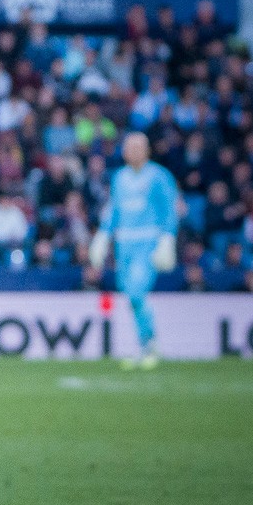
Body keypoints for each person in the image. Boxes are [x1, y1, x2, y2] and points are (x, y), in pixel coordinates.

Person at [88, 131, 180, 369]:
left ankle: (150, 344)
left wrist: (167, 238)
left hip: (148, 242)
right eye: (129, 148)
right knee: (130, 295)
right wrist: (103, 235)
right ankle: (144, 345)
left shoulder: (159, 176)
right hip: (124, 244)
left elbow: (169, 209)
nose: (133, 152)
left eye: (138, 147)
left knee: (137, 292)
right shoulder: (120, 177)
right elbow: (114, 210)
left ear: (147, 150)